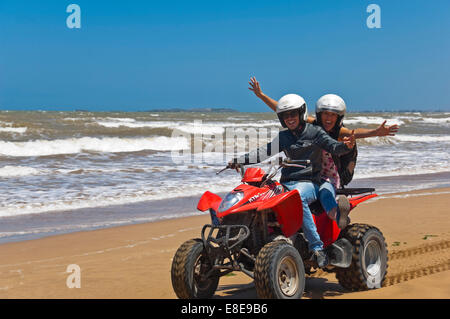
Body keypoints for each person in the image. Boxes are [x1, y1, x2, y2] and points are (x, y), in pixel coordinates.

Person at [248, 77, 399, 228]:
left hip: (327, 175)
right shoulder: (311, 126)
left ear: (338, 117)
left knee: (325, 192)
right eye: (325, 114)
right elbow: (283, 110)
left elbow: (355, 133)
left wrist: (377, 132)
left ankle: (337, 212)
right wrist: (261, 95)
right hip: (303, 172)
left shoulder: (338, 132)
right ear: (319, 115)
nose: (328, 118)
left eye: (332, 115)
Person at [229, 94, 355, 268]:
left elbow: (332, 145)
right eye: (285, 116)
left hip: (310, 182)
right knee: (259, 198)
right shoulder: (284, 137)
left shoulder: (315, 132)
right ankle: (253, 244)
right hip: (286, 182)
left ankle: (317, 248)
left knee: (296, 196)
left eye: (293, 114)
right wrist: (239, 160)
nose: (289, 119)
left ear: (301, 113)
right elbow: (264, 151)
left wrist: (345, 146)